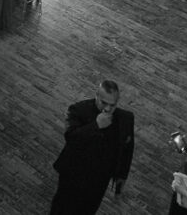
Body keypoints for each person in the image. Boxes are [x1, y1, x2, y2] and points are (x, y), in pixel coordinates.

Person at [51, 80, 135, 215]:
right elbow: (71, 137)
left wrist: (121, 177)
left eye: (112, 105)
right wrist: (96, 125)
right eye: (104, 103)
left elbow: (127, 149)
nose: (107, 109)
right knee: (62, 208)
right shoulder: (78, 110)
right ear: (96, 96)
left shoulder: (126, 118)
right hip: (74, 174)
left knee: (88, 210)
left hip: (100, 179)